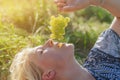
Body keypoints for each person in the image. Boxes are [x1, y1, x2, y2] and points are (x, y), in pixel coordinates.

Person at [9, 0, 120, 80]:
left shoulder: (99, 59)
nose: (48, 41)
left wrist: (93, 1)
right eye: (41, 51)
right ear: (48, 75)